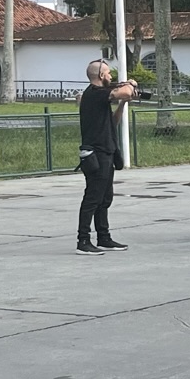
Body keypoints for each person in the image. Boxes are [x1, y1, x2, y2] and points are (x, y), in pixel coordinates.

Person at [76, 58, 136, 253]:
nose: (111, 76)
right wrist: (129, 85)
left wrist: (122, 104)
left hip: (107, 152)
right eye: (109, 73)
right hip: (96, 154)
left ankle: (104, 237)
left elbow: (112, 122)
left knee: (104, 198)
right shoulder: (95, 94)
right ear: (101, 75)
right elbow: (125, 90)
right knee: (93, 198)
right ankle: (83, 241)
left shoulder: (101, 97)